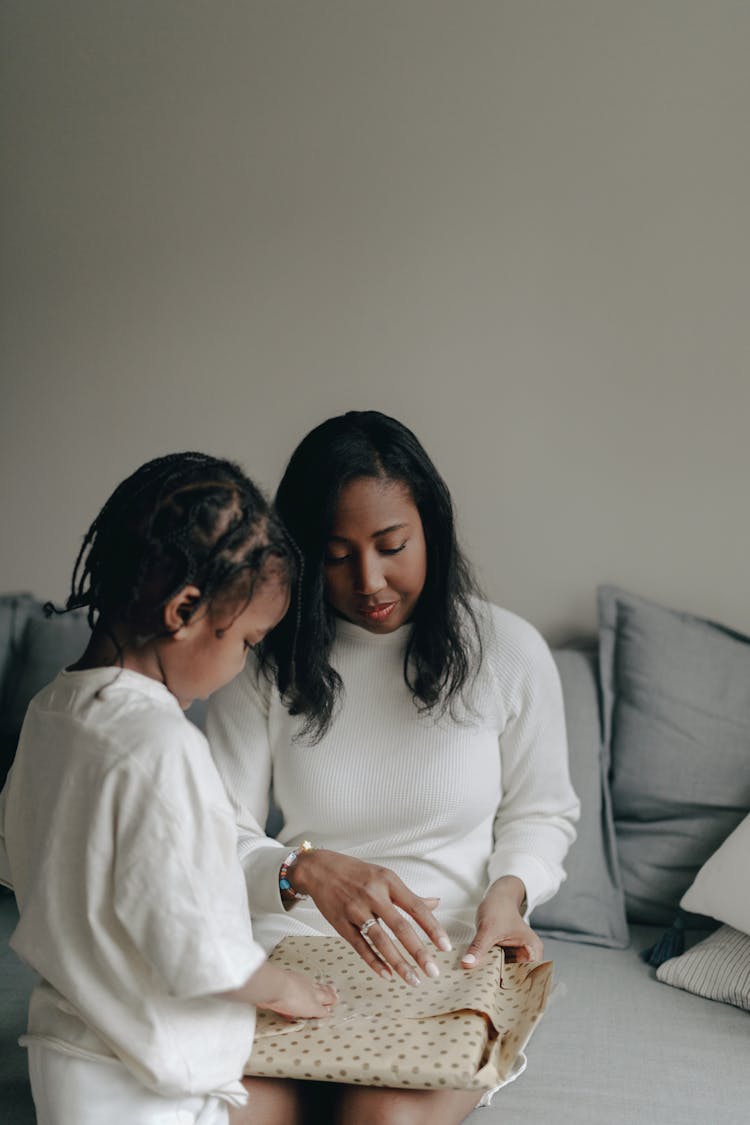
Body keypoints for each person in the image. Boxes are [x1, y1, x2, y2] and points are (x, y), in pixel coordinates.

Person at [207, 413, 580, 1125]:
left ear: (431, 528)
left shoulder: (508, 650)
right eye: (337, 553)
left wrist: (510, 893)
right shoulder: (261, 659)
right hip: (295, 953)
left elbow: (542, 810)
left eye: (391, 545)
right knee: (235, 1113)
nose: (369, 579)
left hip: (450, 957)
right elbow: (214, 832)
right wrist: (301, 869)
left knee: (383, 1118)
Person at [0, 452, 337, 1125]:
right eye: (247, 639)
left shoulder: (50, 711)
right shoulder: (166, 747)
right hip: (148, 1081)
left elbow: (16, 857)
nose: (244, 661)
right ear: (184, 609)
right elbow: (199, 950)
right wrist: (285, 986)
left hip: (65, 1056)